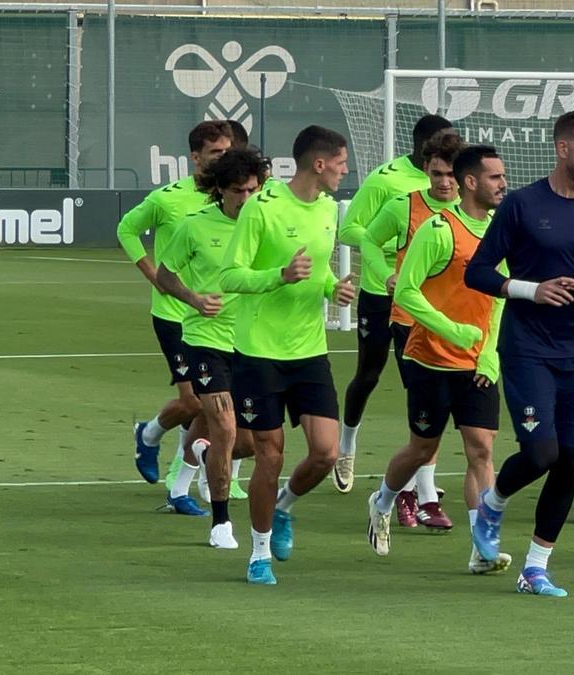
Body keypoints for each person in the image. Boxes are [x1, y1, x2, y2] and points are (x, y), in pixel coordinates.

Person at [464, 110, 574, 598]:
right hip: (527, 348)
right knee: (541, 453)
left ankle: (535, 567)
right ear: (562, 148)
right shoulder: (522, 206)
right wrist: (531, 289)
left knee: (570, 460)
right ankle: (494, 502)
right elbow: (477, 272)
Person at [218, 125, 356, 585]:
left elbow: (313, 274)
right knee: (269, 456)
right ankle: (258, 554)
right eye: (340, 162)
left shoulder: (327, 211)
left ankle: (283, 508)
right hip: (258, 351)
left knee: (325, 453)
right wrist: (279, 275)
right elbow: (231, 276)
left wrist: (332, 288)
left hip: (309, 350)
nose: (345, 169)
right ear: (319, 164)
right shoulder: (263, 207)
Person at [366, 144, 512, 575]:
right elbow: (407, 292)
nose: (503, 183)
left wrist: (489, 353)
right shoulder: (438, 229)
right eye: (494, 177)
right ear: (472, 182)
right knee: (422, 447)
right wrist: (451, 330)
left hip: (476, 364)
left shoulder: (500, 231)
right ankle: (383, 501)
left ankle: (482, 548)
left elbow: (499, 296)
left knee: (481, 450)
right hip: (429, 359)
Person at [120, 120, 245, 513]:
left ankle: (181, 483)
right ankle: (153, 434)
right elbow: (127, 229)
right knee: (195, 404)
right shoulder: (168, 199)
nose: (224, 159)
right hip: (175, 312)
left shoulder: (237, 201)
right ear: (195, 157)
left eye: (229, 151)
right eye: (216, 153)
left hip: (220, 320)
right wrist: (153, 274)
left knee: (214, 407)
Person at [348, 130, 464, 528]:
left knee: (443, 413)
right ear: (426, 171)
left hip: (455, 325)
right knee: (425, 406)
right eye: (436, 173)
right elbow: (368, 242)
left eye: (450, 174)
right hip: (411, 323)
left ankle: (408, 492)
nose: (443, 182)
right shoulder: (405, 206)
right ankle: (422, 497)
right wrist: (386, 276)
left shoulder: (474, 210)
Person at [156, 147, 269, 547]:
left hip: (253, 342)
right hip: (205, 341)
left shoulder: (267, 223)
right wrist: (194, 299)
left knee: (250, 443)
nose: (247, 198)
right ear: (221, 190)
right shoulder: (194, 227)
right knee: (223, 425)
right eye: (238, 191)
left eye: (254, 189)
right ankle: (221, 522)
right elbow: (165, 275)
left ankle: (206, 457)